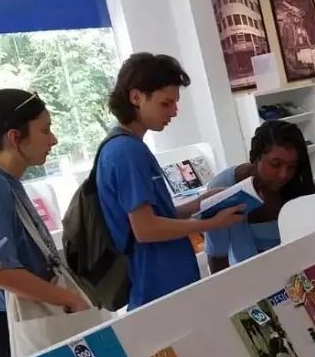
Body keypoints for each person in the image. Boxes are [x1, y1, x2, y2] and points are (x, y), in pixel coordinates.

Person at [95, 53, 244, 308]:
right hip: (156, 288)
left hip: (166, 283)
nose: (174, 111)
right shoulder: (126, 152)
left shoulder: (129, 147)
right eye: (166, 104)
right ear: (136, 97)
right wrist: (210, 223)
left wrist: (198, 204)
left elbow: (151, 216)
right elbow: (146, 229)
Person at [0, 89, 88, 357]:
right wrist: (70, 298)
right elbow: (1, 272)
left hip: (22, 325)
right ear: (15, 138)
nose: (53, 140)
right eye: (45, 130)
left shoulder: (5, 184)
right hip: (13, 331)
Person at [204, 120, 315, 273]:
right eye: (275, 164)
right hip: (247, 277)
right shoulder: (224, 188)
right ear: (256, 157)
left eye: (292, 166)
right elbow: (217, 257)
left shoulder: (298, 185)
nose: (284, 175)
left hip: (297, 269)